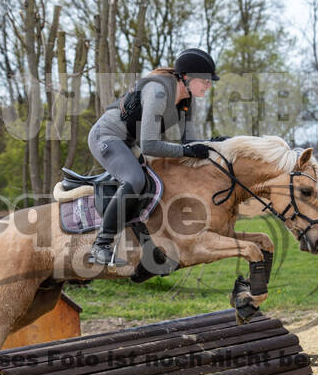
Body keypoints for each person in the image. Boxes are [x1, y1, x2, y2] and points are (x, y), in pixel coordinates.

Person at [87, 48, 219, 266]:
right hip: (106, 137)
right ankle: (100, 245)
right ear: (186, 78)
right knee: (135, 180)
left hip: (128, 143)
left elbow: (190, 143)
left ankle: (146, 247)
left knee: (162, 179)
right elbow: (149, 145)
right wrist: (187, 151)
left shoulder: (187, 102)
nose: (209, 85)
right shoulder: (158, 91)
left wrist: (214, 144)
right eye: (205, 80)